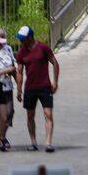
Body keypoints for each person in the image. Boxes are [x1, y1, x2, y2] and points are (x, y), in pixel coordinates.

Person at [15, 24, 59, 153]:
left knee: (48, 114)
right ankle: (33, 142)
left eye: (23, 38)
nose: (21, 41)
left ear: (30, 37)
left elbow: (55, 63)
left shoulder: (43, 48)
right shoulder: (21, 52)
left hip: (44, 86)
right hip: (30, 88)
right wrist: (19, 89)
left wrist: (55, 82)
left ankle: (48, 143)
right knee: (30, 115)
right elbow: (19, 71)